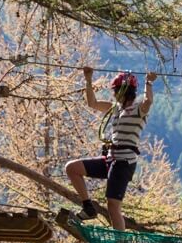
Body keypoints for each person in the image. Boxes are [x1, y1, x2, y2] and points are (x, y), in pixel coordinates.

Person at [65, 67, 157, 232]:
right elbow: (92, 103)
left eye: (115, 91)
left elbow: (148, 101)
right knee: (72, 168)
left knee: (113, 206)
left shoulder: (138, 110)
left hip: (123, 162)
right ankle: (88, 207)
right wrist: (88, 79)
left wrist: (148, 82)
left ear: (123, 91)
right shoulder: (116, 109)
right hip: (111, 159)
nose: (114, 95)